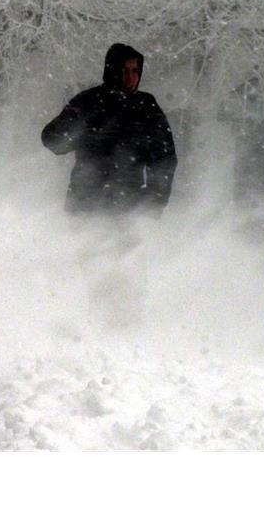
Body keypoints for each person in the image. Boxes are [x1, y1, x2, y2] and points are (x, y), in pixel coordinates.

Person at [41, 43, 177, 328]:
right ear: (111, 71)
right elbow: (52, 139)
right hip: (86, 205)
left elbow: (164, 158)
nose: (130, 78)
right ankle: (102, 331)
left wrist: (154, 199)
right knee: (98, 274)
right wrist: (82, 128)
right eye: (124, 71)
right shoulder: (89, 102)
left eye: (135, 71)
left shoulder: (146, 107)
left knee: (130, 274)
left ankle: (128, 332)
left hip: (128, 205)